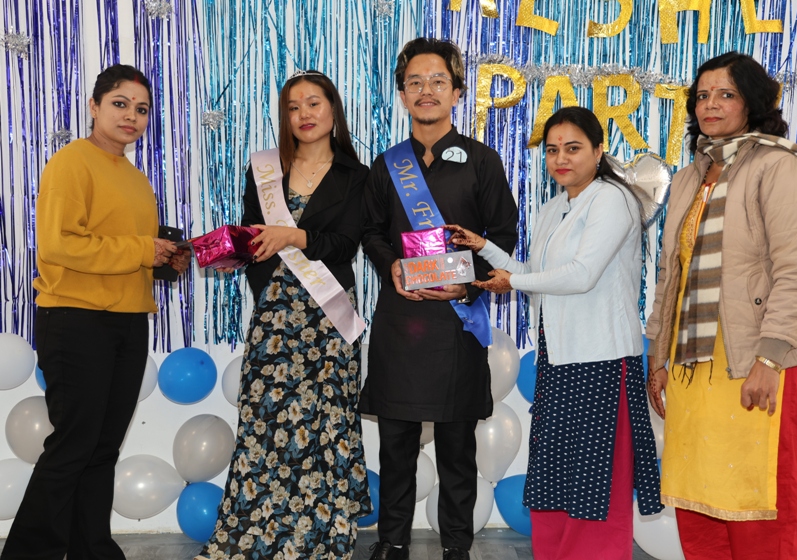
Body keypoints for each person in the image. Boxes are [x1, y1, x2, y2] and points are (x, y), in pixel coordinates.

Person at [645, 51, 797, 559]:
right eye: (702, 95)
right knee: (699, 511)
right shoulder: (690, 177)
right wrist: (658, 357)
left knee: (761, 511)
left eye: (725, 94)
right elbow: (671, 277)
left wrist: (769, 359)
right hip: (694, 372)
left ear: (752, 102)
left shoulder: (780, 166)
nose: (710, 104)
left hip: (759, 362)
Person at [447, 106, 663, 559]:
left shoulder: (614, 199)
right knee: (557, 480)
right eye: (551, 150)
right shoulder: (553, 208)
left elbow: (581, 274)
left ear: (599, 151)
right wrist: (483, 246)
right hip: (560, 360)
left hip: (602, 360)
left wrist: (514, 281)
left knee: (596, 484)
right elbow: (534, 273)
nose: (561, 159)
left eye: (573, 148)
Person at [0, 64, 187, 560]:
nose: (131, 116)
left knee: (102, 450)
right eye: (120, 104)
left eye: (141, 109)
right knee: (73, 446)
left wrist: (165, 261)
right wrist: (142, 249)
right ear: (94, 106)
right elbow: (59, 245)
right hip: (75, 319)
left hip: (128, 321)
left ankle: (93, 551)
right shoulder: (70, 163)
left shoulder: (137, 180)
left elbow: (124, 252)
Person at [195, 70, 370, 560]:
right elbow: (254, 238)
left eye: (313, 103)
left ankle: (324, 535)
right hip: (275, 313)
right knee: (265, 421)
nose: (304, 114)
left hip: (328, 316)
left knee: (327, 422)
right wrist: (233, 250)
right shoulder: (264, 170)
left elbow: (345, 245)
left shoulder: (357, 176)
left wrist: (294, 236)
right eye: (293, 107)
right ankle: (259, 533)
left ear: (333, 110)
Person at [360, 38, 518, 560]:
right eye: (415, 82)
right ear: (402, 94)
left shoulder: (482, 161)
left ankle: (456, 546)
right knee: (395, 444)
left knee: (456, 447)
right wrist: (390, 264)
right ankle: (391, 542)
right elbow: (371, 232)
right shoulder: (387, 165)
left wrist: (468, 285)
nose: (426, 91)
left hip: (457, 322)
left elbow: (503, 236)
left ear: (456, 92)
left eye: (437, 81)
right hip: (400, 320)